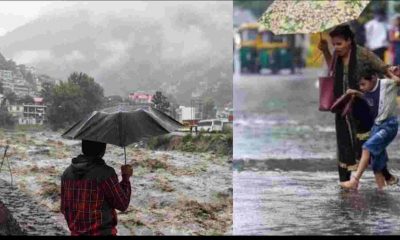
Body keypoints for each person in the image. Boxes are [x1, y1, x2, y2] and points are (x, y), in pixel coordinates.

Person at [318, 24, 397, 185]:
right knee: (344, 144)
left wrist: (393, 73)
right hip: (342, 105)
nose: (336, 47)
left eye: (339, 44)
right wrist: (326, 51)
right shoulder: (336, 55)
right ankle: (346, 182)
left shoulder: (363, 54)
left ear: (349, 41)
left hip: (363, 107)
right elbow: (332, 71)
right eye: (334, 44)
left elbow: (382, 67)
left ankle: (385, 177)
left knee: (369, 145)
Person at [341, 65, 400, 190]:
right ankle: (381, 190)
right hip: (377, 126)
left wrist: (388, 73)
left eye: (363, 84)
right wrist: (356, 92)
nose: (362, 88)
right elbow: (368, 97)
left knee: (367, 147)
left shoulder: (386, 84)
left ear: (373, 78)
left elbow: (398, 81)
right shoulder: (367, 91)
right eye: (360, 86)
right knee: (376, 163)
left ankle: (355, 180)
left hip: (389, 125)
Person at [60, 140, 133, 236]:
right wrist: (126, 177)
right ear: (103, 150)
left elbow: (63, 208)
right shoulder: (105, 173)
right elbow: (122, 204)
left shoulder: (67, 173)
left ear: (83, 148)